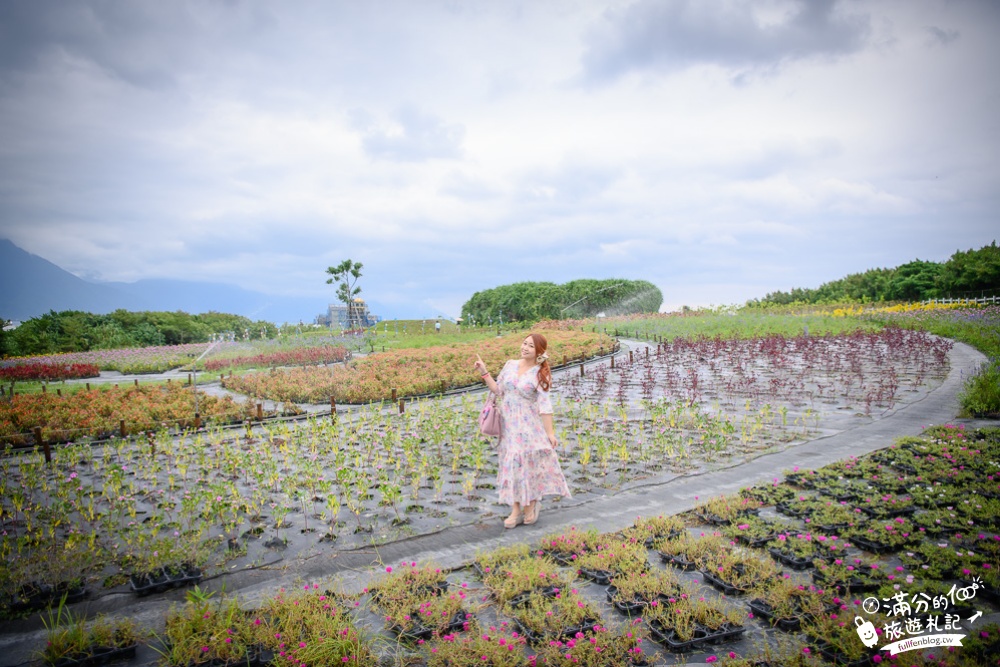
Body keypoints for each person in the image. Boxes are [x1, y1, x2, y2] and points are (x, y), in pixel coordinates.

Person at [474, 333, 570, 528]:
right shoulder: (510, 365)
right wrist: (484, 372)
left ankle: (531, 503)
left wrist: (550, 433)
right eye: (524, 343)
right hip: (508, 425)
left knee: (527, 465)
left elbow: (545, 405)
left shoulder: (540, 373)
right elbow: (498, 390)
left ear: (539, 352)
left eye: (531, 346)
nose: (525, 348)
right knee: (512, 465)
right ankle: (516, 509)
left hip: (528, 427)